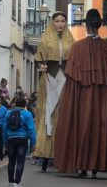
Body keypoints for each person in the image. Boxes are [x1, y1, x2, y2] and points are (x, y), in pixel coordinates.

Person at [54, 8, 107, 175]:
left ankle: (82, 167)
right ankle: (95, 167)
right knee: (101, 127)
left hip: (82, 100)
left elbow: (72, 82)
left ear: (86, 26)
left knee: (82, 126)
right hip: (102, 102)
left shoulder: (77, 47)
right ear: (99, 26)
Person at [34, 11, 74, 172]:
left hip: (64, 77)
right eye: (57, 21)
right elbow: (39, 58)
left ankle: (62, 154)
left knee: (62, 112)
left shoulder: (70, 39)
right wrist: (40, 66)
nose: (60, 23)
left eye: (63, 21)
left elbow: (74, 58)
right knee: (47, 113)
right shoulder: (46, 38)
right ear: (53, 22)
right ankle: (44, 154)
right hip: (49, 77)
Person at [3, 97, 37, 187]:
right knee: (20, 161)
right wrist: (33, 143)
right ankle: (17, 183)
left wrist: (5, 142)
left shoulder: (8, 113)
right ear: (25, 105)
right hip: (22, 139)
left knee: (11, 161)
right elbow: (31, 130)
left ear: (15, 104)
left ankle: (10, 182)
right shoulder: (27, 114)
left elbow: (4, 128)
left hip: (11, 139)